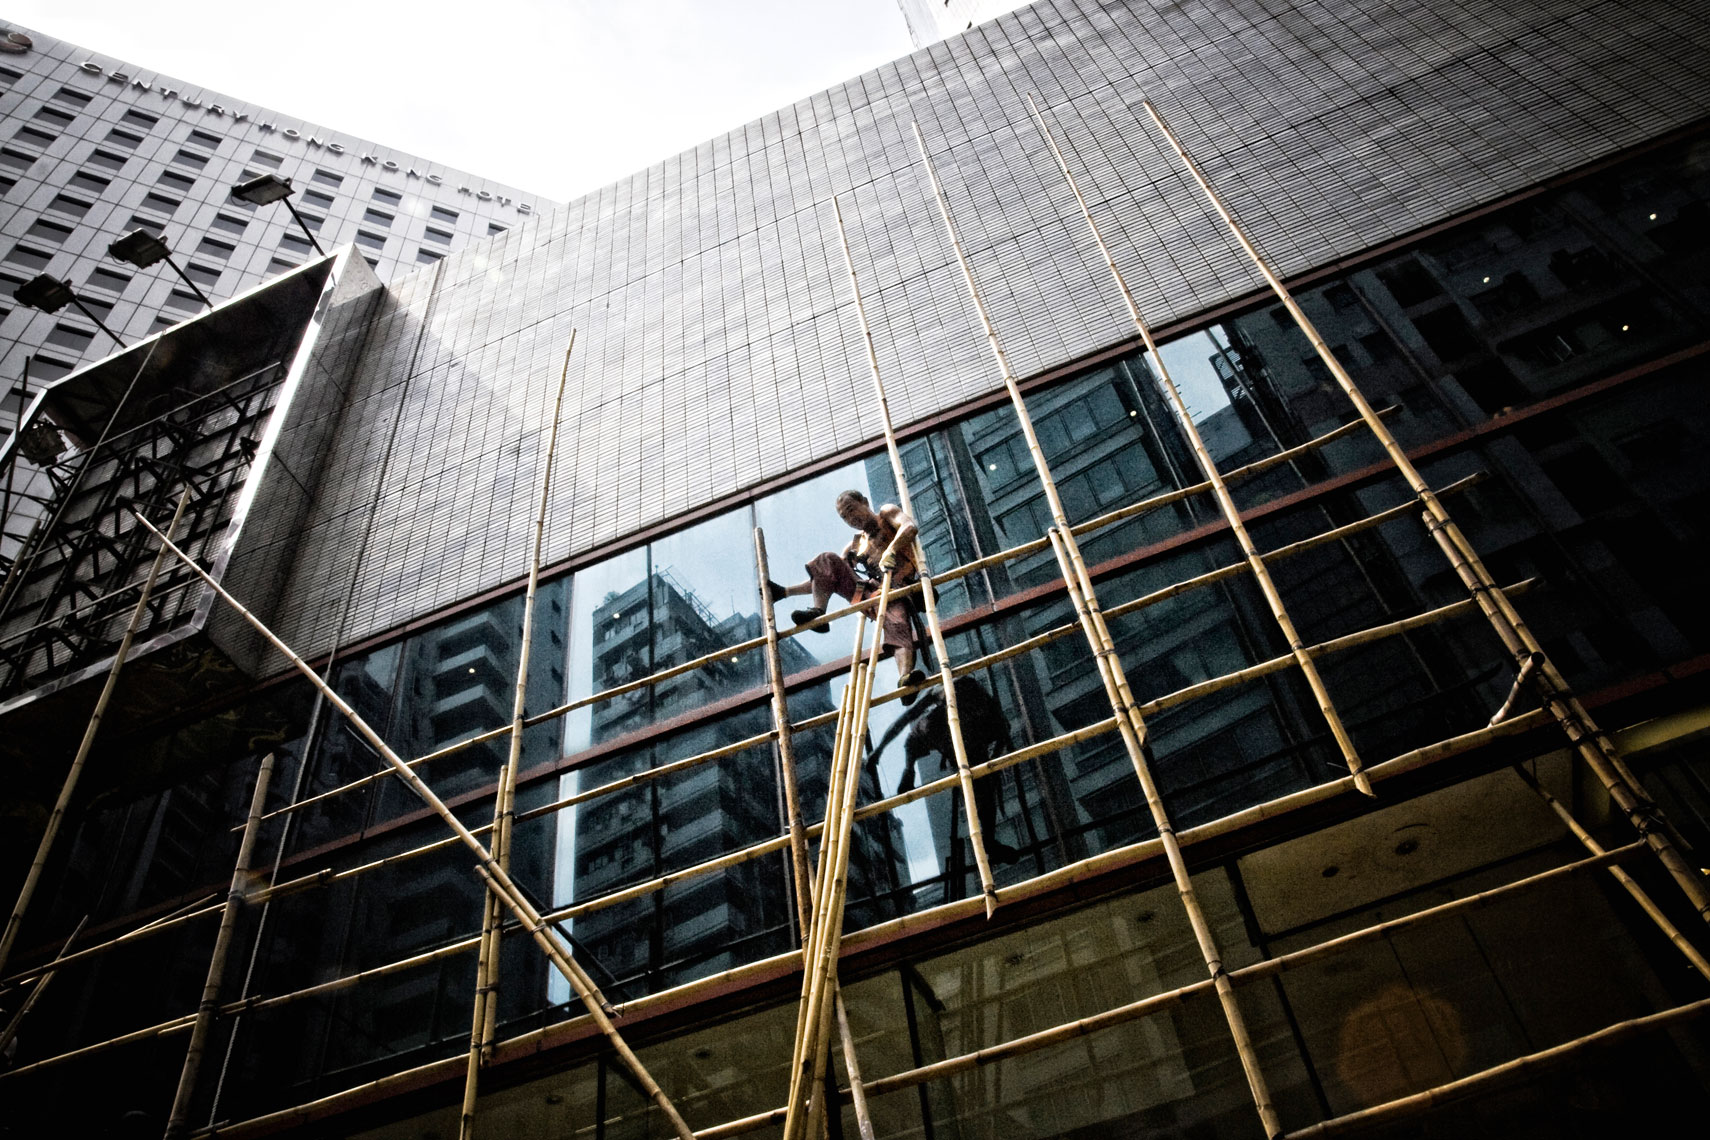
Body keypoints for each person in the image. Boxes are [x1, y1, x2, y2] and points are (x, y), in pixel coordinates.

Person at [768, 489, 928, 702]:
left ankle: (905, 677)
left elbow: (909, 527)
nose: (851, 519)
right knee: (827, 559)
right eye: (845, 517)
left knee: (897, 622)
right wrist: (787, 592)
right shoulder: (856, 545)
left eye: (852, 510)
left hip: (897, 589)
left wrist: (891, 550)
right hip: (867, 592)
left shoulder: (886, 514)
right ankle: (818, 612)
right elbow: (827, 578)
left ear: (864, 502)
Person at [893, 677, 1021, 864]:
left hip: (972, 745)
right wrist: (907, 768)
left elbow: (1003, 729)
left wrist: (992, 762)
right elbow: (910, 735)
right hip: (965, 743)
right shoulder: (934, 721)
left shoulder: (975, 706)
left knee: (984, 795)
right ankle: (989, 842)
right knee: (983, 794)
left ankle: (989, 842)